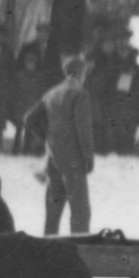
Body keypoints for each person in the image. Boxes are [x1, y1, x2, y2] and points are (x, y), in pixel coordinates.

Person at [33, 51, 100, 234]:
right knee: (80, 211)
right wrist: (88, 157)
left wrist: (49, 136)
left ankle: (48, 244)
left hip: (53, 157)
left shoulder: (51, 93)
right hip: (73, 158)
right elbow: (83, 128)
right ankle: (80, 246)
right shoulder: (80, 93)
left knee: (53, 210)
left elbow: (31, 119)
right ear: (80, 73)